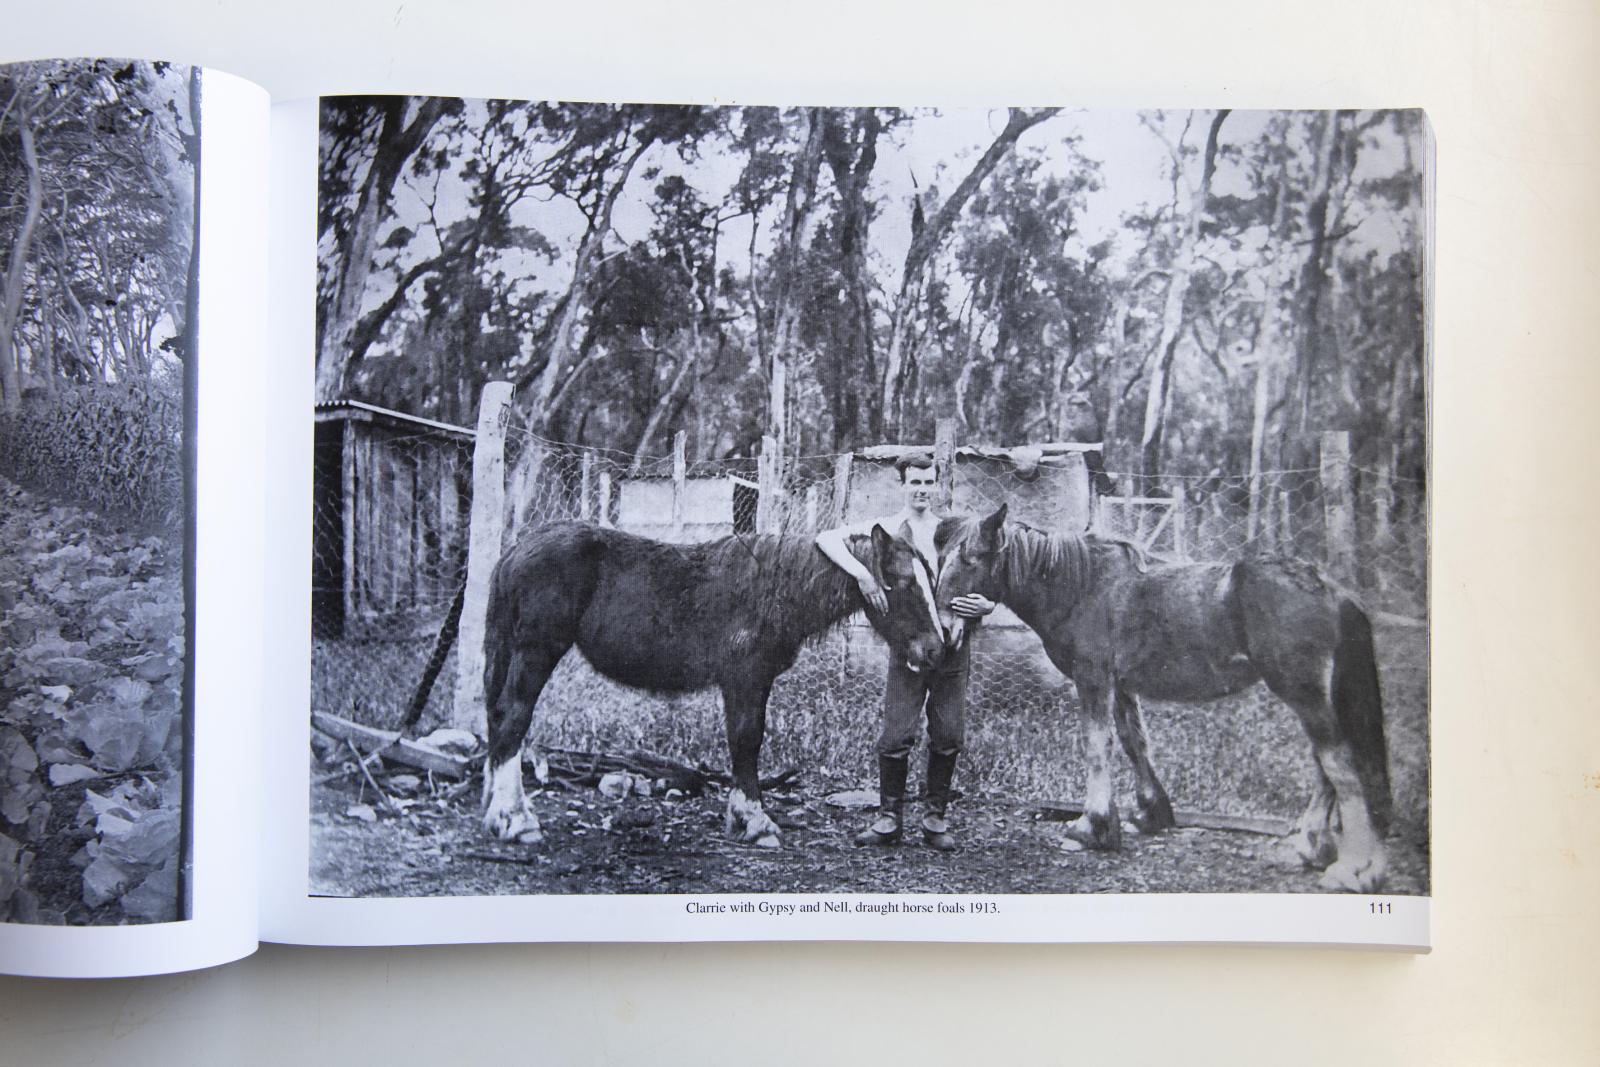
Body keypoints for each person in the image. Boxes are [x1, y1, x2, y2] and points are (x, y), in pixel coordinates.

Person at [814, 454, 995, 850]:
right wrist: (863, 576)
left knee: (948, 734)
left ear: (937, 485)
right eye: (914, 482)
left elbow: (985, 575)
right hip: (910, 648)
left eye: (928, 483)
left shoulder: (954, 530)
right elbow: (825, 539)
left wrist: (986, 607)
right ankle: (888, 819)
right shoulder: (889, 530)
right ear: (902, 485)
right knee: (897, 734)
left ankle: (934, 820)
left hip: (952, 648)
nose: (922, 490)